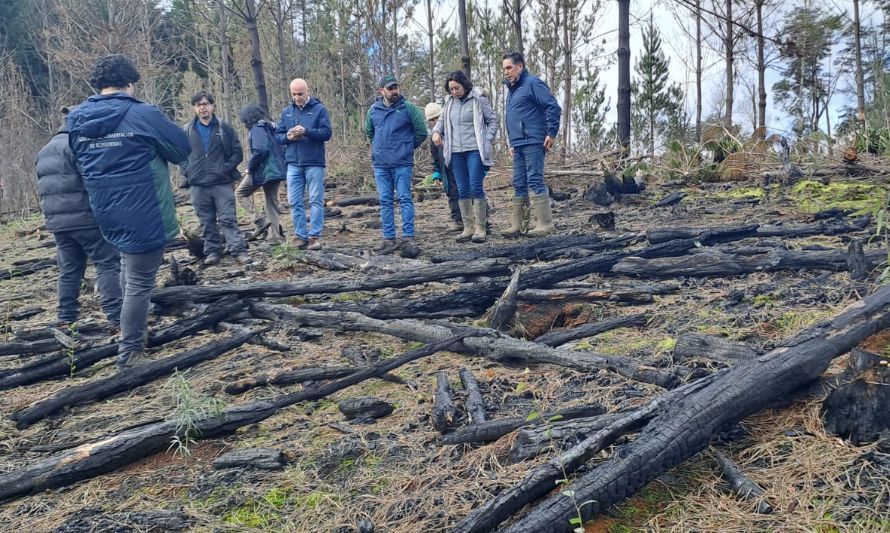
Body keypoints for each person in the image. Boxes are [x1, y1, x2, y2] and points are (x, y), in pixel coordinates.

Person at [66, 54, 190, 369]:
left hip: (105, 211)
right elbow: (181, 149)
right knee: (138, 282)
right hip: (144, 211)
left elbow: (79, 163)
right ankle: (130, 351)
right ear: (130, 83)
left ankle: (129, 327)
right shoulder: (142, 114)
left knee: (125, 267)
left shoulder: (77, 120)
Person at [36, 105, 122, 329]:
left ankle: (66, 316)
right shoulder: (79, 146)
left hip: (58, 224)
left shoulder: (44, 151)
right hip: (86, 220)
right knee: (107, 264)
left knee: (69, 270)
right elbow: (93, 183)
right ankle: (115, 314)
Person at [181, 91, 248, 265]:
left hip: (221, 183)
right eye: (198, 105)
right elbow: (179, 154)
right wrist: (187, 171)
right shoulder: (187, 130)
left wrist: (225, 169)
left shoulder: (224, 128)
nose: (202, 108)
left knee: (228, 218)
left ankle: (238, 251)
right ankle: (212, 252)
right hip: (197, 184)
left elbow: (237, 152)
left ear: (212, 105)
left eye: (205, 104)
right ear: (194, 108)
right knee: (206, 220)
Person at [431, 70, 498, 243]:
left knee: (475, 186)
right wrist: (436, 132)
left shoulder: (478, 100)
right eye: (451, 89)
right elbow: (441, 123)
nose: (454, 92)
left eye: (457, 88)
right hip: (455, 152)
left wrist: (487, 139)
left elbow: (492, 121)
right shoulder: (449, 103)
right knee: (462, 189)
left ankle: (481, 228)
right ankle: (468, 227)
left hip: (474, 150)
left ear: (464, 85)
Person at [364, 75, 427, 257]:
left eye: (396, 88)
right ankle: (388, 238)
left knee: (405, 198)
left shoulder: (409, 108)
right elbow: (369, 131)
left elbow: (421, 132)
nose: (394, 91)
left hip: (402, 163)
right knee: (385, 201)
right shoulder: (373, 110)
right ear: (381, 91)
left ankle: (408, 237)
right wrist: (378, 148)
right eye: (390, 88)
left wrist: (406, 148)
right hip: (381, 164)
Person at [502, 51, 561, 237]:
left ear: (520, 66)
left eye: (509, 67)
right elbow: (514, 118)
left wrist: (551, 133)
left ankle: (545, 223)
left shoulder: (532, 83)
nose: (506, 72)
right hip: (518, 143)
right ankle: (519, 225)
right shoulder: (512, 90)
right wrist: (512, 143)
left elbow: (553, 106)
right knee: (518, 182)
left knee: (534, 179)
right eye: (504, 69)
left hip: (534, 140)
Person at [275, 78, 332, 251]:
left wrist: (306, 132)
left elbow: (326, 133)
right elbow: (278, 136)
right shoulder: (286, 113)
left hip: (314, 162)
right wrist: (288, 137)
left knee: (315, 199)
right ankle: (300, 236)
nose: (297, 97)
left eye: (300, 94)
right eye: (294, 94)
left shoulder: (319, 110)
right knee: (294, 201)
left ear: (308, 91)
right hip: (293, 163)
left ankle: (314, 236)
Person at [236, 104, 286, 245]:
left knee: (239, 193)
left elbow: (260, 151)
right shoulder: (271, 127)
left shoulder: (257, 129)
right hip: (277, 170)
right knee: (271, 204)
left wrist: (249, 168)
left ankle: (259, 221)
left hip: (264, 170)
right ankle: (275, 237)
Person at [424, 102, 462, 232]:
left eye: (437, 118)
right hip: (446, 171)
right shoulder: (433, 139)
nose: (435, 122)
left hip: (459, 167)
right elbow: (435, 159)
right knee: (452, 195)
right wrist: (437, 173)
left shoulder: (455, 131)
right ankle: (458, 220)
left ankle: (481, 218)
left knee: (468, 192)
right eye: (431, 120)